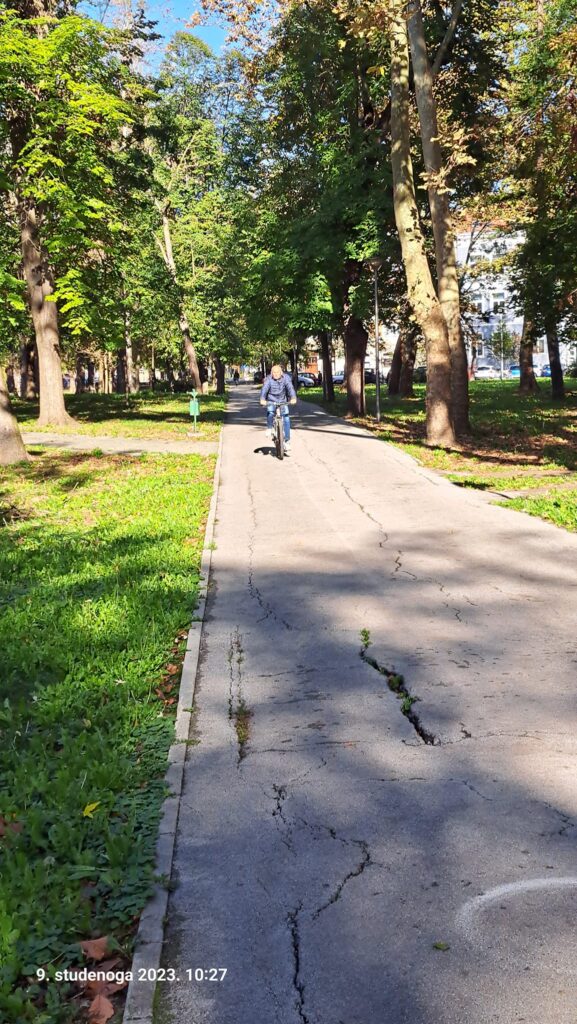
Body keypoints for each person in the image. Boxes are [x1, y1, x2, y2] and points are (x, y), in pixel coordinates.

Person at [260, 364, 297, 453]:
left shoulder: (286, 378)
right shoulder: (268, 379)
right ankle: (269, 428)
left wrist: (293, 397)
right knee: (270, 412)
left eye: (278, 372)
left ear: (281, 372)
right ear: (271, 373)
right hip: (271, 400)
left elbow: (290, 388)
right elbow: (264, 389)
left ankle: (287, 441)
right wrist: (262, 399)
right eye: (274, 372)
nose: (276, 374)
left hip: (282, 400)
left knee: (286, 418)